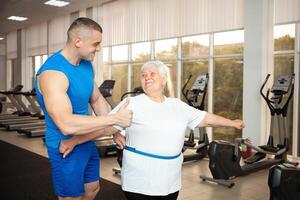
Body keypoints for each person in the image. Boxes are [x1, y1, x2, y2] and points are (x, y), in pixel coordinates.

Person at [60, 60, 245, 200]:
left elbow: (206, 118)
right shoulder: (132, 103)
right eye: (143, 75)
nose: (147, 77)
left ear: (163, 79)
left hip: (170, 180)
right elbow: (104, 127)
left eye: (152, 74)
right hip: (140, 182)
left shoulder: (177, 105)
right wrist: (75, 140)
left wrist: (232, 123)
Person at [35, 17, 132, 200]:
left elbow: (96, 100)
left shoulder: (86, 65)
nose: (99, 48)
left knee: (92, 188)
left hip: (86, 139)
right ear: (77, 41)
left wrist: (114, 132)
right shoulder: (53, 73)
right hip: (65, 145)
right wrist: (115, 119)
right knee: (71, 197)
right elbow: (66, 124)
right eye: (96, 43)